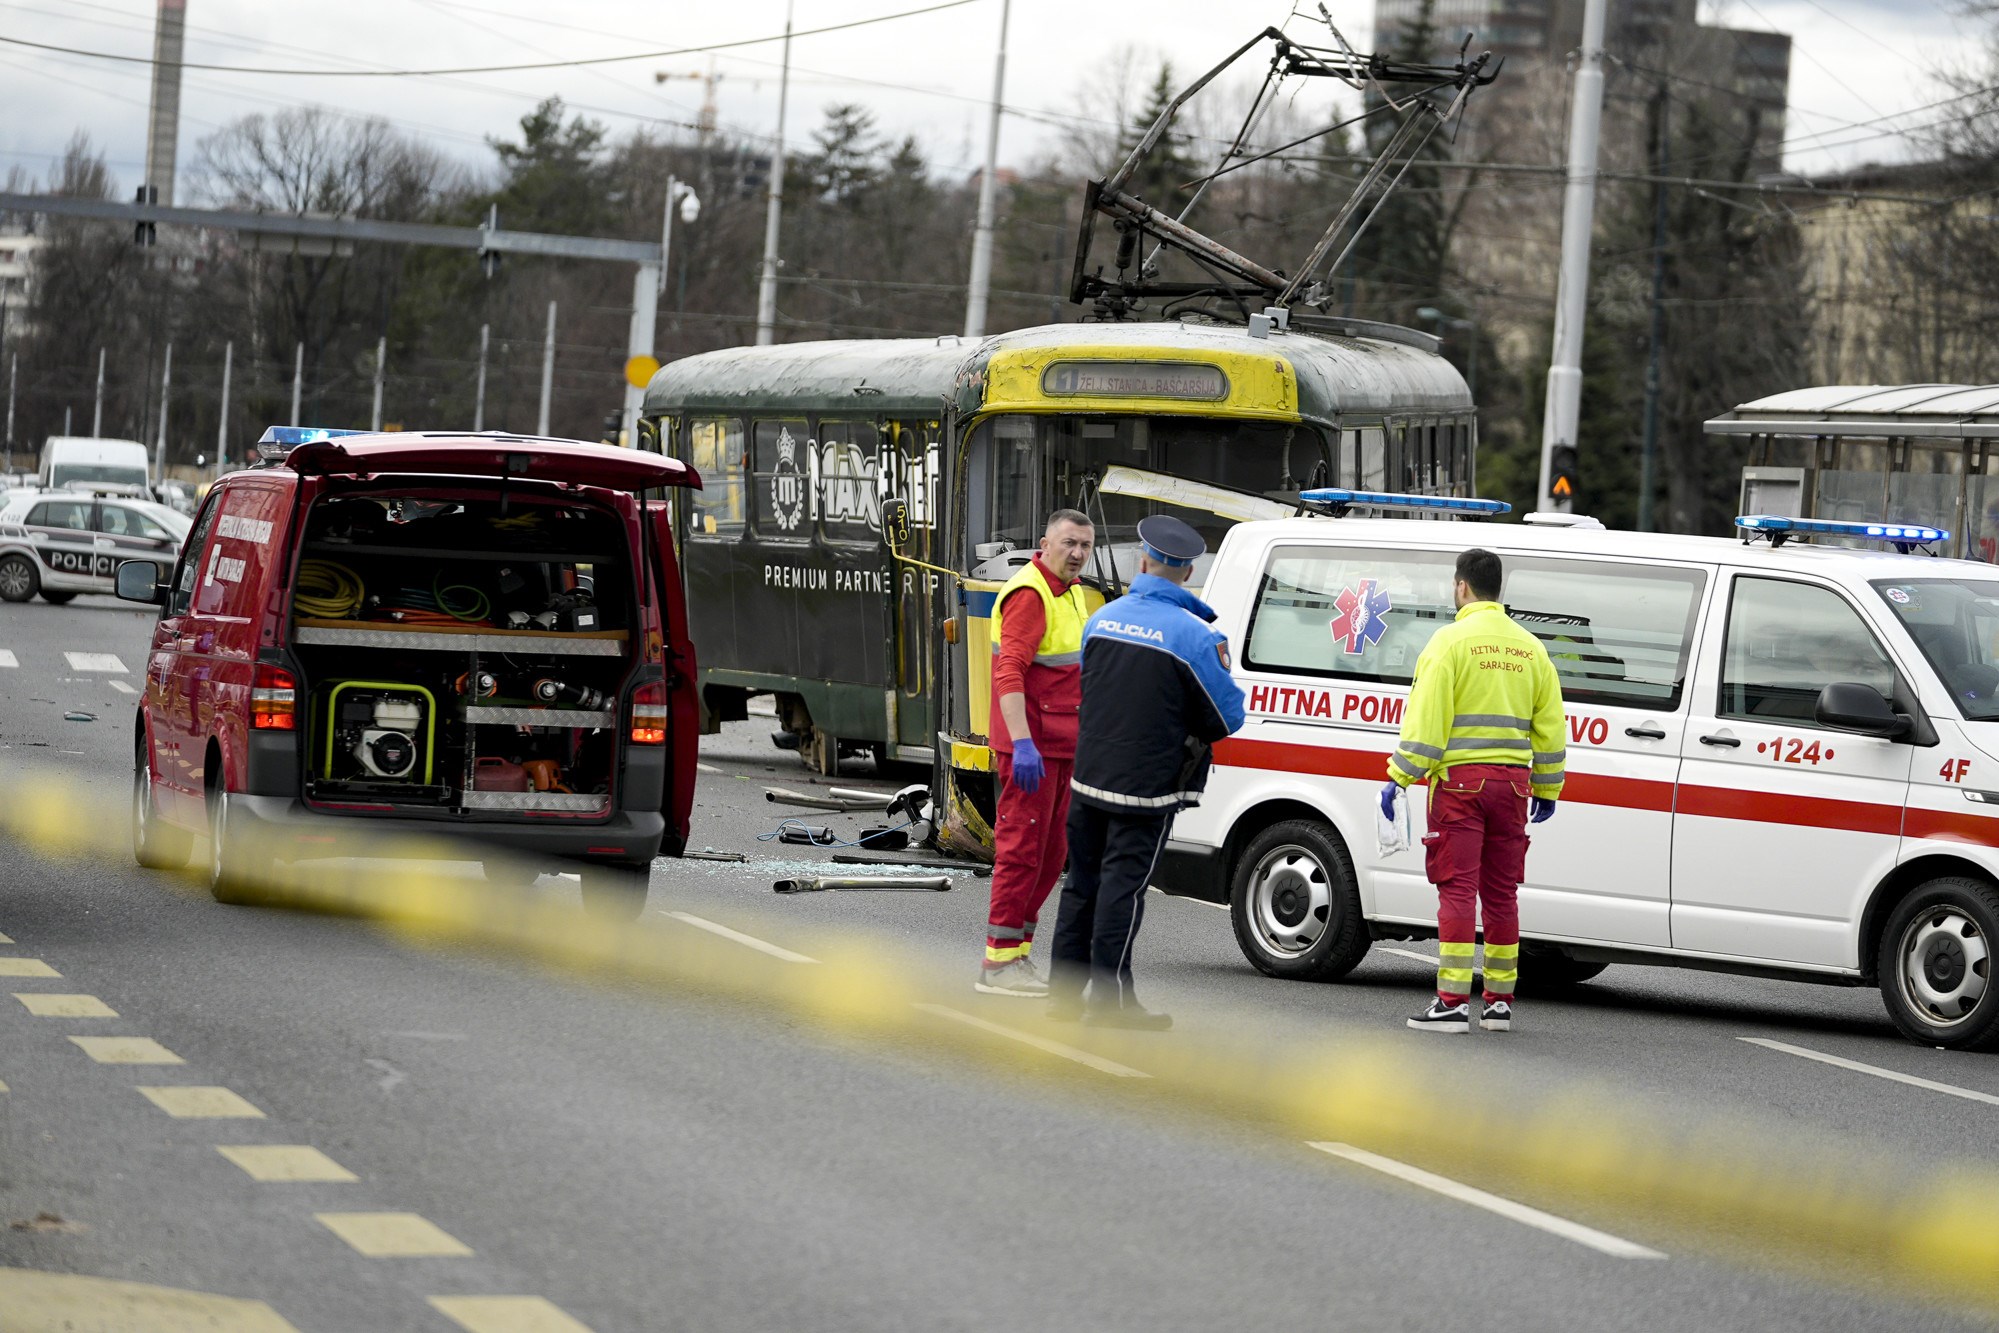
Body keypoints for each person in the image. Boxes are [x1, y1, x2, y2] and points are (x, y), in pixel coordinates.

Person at [1050, 515, 1246, 1029]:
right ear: (1186, 574)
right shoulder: (1194, 638)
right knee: (1122, 892)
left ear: (1142, 562)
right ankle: (1108, 1005)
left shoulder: (1103, 617)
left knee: (1081, 886)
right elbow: (1226, 718)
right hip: (1146, 790)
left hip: (1087, 777)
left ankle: (1065, 999)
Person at [1383, 548, 1566, 1034]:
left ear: (1461, 587)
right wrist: (1547, 786)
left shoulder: (1448, 642)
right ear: (1498, 589)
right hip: (1513, 786)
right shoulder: (1531, 648)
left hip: (1461, 787)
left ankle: (1450, 1003)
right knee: (1502, 894)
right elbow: (1550, 727)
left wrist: (1399, 775)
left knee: (1458, 891)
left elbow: (1427, 723)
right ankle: (1500, 1003)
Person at [977, 509, 1097, 996]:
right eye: (1068, 543)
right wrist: (1021, 743)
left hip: (1061, 747)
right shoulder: (1031, 593)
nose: (1076, 553)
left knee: (1050, 857)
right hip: (1033, 750)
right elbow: (1010, 673)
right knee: (1022, 853)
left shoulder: (1070, 594)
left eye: (1084, 546)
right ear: (1044, 543)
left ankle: (1017, 955)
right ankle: (997, 963)